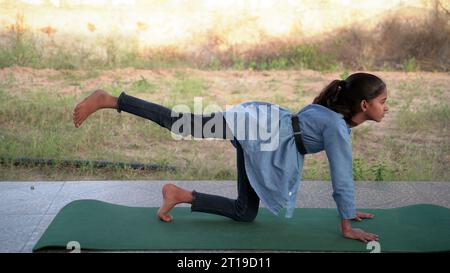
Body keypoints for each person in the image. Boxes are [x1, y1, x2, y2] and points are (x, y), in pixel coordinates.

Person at [73, 72, 388, 243]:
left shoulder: (334, 119)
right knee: (181, 123)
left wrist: (349, 211)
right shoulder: (335, 125)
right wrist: (346, 224)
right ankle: (111, 99)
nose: (386, 107)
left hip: (265, 138)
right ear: (364, 104)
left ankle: (179, 195)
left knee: (244, 212)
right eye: (383, 102)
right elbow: (342, 175)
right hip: (257, 129)